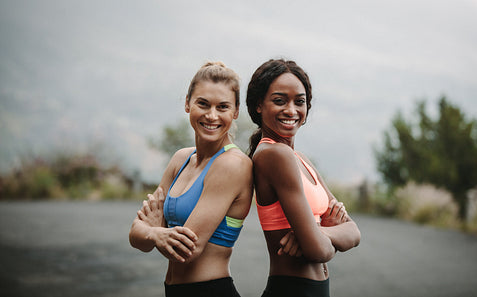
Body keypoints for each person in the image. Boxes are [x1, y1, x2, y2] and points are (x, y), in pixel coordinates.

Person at [129, 61, 253, 297]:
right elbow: (136, 236)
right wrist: (155, 234)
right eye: (203, 103)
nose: (212, 115)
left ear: (235, 112)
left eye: (223, 107)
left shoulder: (233, 164)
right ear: (187, 103)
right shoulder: (181, 159)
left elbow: (187, 250)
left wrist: (154, 230)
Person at [246, 59, 361, 297]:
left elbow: (354, 233)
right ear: (259, 105)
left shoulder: (300, 159)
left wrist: (311, 232)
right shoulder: (275, 155)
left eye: (299, 102)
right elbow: (318, 251)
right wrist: (318, 233)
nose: (291, 110)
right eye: (279, 101)